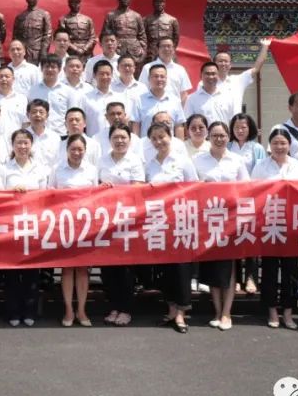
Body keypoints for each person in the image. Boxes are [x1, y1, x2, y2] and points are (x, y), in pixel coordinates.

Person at [193, 121, 250, 331]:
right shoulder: (198, 160)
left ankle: (227, 312)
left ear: (228, 137)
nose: (219, 139)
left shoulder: (236, 160)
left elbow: (247, 187)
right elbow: (190, 187)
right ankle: (217, 311)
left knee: (229, 266)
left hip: (231, 220)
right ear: (208, 137)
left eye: (222, 135)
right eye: (215, 135)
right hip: (208, 220)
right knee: (213, 268)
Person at [251, 127, 298, 330]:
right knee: (269, 269)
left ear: (289, 145)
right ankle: (272, 311)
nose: (279, 146)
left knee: (290, 270)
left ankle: (288, 311)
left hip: (291, 225)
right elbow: (253, 192)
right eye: (275, 143)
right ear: (269, 145)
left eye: (283, 143)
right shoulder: (261, 166)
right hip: (268, 224)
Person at [145, 122, 198, 333]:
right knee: (165, 270)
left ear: (170, 137)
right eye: (154, 138)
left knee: (181, 269)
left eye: (162, 136)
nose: (159, 141)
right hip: (159, 224)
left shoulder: (183, 161)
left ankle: (182, 313)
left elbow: (195, 188)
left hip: (180, 222)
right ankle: (171, 309)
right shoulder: (149, 164)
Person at [98, 124, 145, 327]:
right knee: (108, 268)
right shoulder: (102, 160)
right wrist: (101, 188)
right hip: (106, 221)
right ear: (109, 140)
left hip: (128, 221)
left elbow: (138, 188)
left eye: (123, 137)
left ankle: (126, 309)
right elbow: (94, 186)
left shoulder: (135, 160)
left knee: (126, 268)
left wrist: (116, 190)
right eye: (115, 137)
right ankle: (114, 306)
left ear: (129, 139)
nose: (119, 141)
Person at [2, 129, 50, 326]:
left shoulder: (41, 169)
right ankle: (13, 312)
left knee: (32, 272)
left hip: (34, 225)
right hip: (11, 226)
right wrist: (11, 192)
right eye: (18, 143)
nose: (22, 146)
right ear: (12, 145)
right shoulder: (4, 168)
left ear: (31, 145)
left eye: (26, 143)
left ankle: (30, 311)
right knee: (12, 272)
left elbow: (46, 197)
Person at [50, 133, 99, 327]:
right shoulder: (57, 169)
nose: (77, 153)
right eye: (73, 149)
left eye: (80, 149)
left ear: (85, 151)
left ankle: (82, 310)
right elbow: (49, 195)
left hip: (85, 226)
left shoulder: (92, 170)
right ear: (66, 150)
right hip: (64, 226)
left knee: (83, 269)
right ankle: (69, 310)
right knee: (67, 268)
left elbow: (96, 197)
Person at [228, 112, 267, 295]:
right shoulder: (228, 146)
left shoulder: (257, 148)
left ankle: (251, 276)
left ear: (250, 128)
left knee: (251, 237)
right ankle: (236, 278)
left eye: (244, 127)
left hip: (252, 199)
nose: (240, 130)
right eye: (236, 127)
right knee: (235, 238)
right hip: (232, 200)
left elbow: (260, 172)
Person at [28, 55, 80, 136]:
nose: (50, 69)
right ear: (41, 69)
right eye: (47, 66)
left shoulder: (68, 91)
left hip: (61, 135)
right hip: (38, 135)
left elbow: (73, 114)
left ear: (59, 69)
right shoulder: (33, 90)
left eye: (53, 67)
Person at [140, 37, 191, 104]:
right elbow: (142, 90)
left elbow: (183, 94)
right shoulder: (147, 68)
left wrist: (181, 109)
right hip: (152, 107)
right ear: (158, 49)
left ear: (173, 49)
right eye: (163, 46)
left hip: (174, 108)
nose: (166, 49)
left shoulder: (180, 70)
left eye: (169, 46)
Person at [12, 0, 52, 64]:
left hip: (37, 52)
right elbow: (15, 37)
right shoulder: (20, 16)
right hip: (22, 52)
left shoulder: (44, 14)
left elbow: (48, 35)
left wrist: (44, 51)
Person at [0, 64, 28, 136]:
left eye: (7, 76)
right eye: (1, 77)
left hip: (16, 139)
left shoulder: (22, 99)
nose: (4, 79)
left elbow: (26, 123)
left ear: (13, 79)